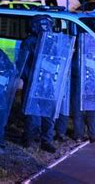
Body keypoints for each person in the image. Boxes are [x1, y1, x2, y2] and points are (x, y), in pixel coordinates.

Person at [21, 14, 58, 153]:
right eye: (42, 24)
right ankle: (29, 139)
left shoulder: (52, 41)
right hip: (33, 83)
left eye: (47, 24)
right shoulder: (29, 42)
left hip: (48, 84)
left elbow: (58, 60)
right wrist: (30, 78)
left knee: (49, 114)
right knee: (32, 115)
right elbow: (23, 64)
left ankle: (46, 141)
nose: (46, 27)